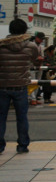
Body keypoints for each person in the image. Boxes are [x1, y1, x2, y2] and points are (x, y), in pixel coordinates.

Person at [0, 18, 42, 153]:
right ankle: (23, 145)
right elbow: (35, 60)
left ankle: (0, 146)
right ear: (24, 31)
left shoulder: (1, 46)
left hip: (2, 86)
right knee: (22, 117)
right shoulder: (31, 46)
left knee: (1, 117)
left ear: (10, 30)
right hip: (21, 86)